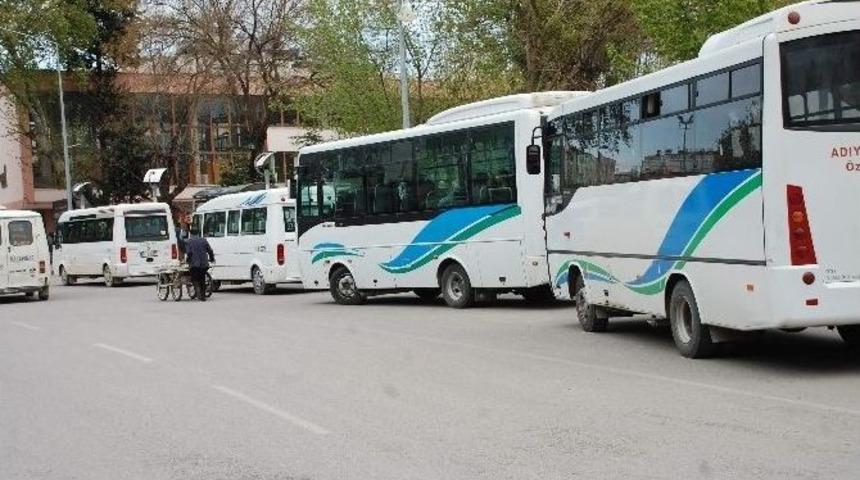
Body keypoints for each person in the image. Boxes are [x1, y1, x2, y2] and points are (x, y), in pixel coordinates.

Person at [185, 227, 215, 302]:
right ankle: (203, 295)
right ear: (198, 233)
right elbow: (210, 251)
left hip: (194, 264)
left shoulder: (189, 241)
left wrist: (187, 260)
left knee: (195, 279)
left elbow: (189, 253)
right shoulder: (204, 240)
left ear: (190, 234)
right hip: (204, 264)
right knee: (202, 279)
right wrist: (212, 259)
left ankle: (198, 294)